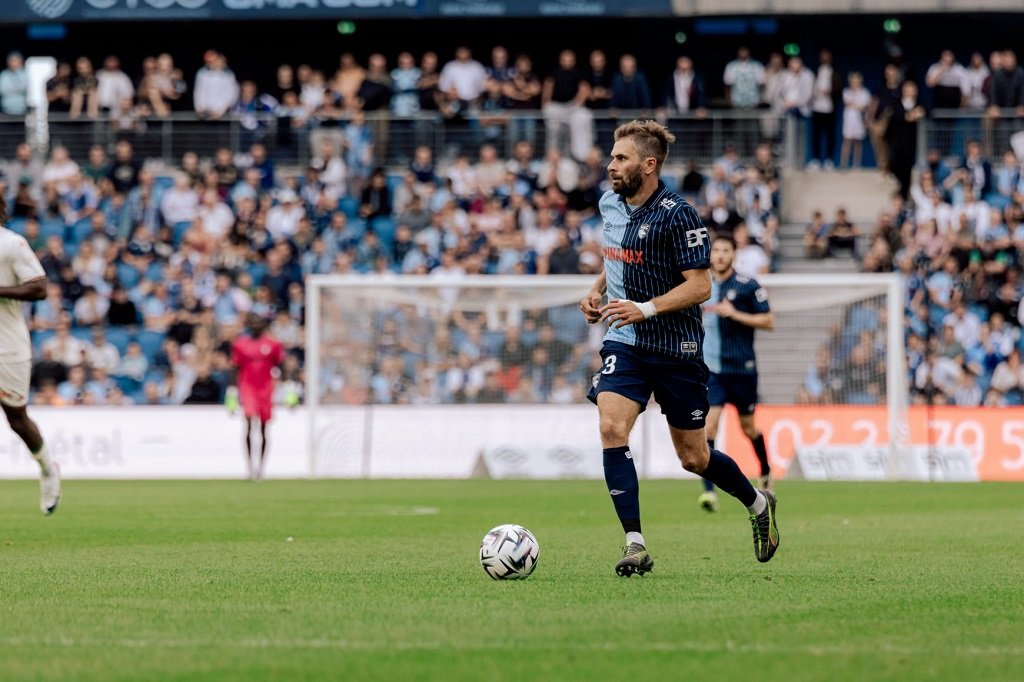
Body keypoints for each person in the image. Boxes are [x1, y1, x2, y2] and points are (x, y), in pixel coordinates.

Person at [579, 120, 779, 577]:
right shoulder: (610, 204)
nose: (611, 165)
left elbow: (701, 287)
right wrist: (596, 291)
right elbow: (615, 256)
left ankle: (756, 502)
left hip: (677, 348)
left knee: (694, 457)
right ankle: (634, 543)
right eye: (611, 157)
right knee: (611, 427)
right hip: (625, 341)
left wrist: (645, 308)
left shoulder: (678, 215)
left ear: (648, 165)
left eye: (621, 158)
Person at [697, 235, 775, 513]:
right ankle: (709, 492)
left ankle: (765, 472)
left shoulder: (748, 285)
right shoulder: (700, 284)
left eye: (725, 250)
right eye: (716, 250)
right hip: (713, 370)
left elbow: (769, 321)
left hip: (742, 369)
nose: (719, 255)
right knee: (709, 428)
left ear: (734, 254)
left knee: (749, 428)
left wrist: (735, 314)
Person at [0, 196, 60, 514]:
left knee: (17, 419)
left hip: (7, 347)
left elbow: (39, 288)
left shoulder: (12, 244)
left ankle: (48, 467)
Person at [230, 314, 284, 481]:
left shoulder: (272, 345)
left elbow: (280, 364)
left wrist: (288, 386)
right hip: (248, 388)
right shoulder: (241, 344)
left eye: (258, 323)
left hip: (265, 390)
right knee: (248, 425)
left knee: (263, 429)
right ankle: (249, 467)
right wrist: (232, 390)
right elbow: (235, 367)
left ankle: (260, 468)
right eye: (253, 323)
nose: (255, 326)